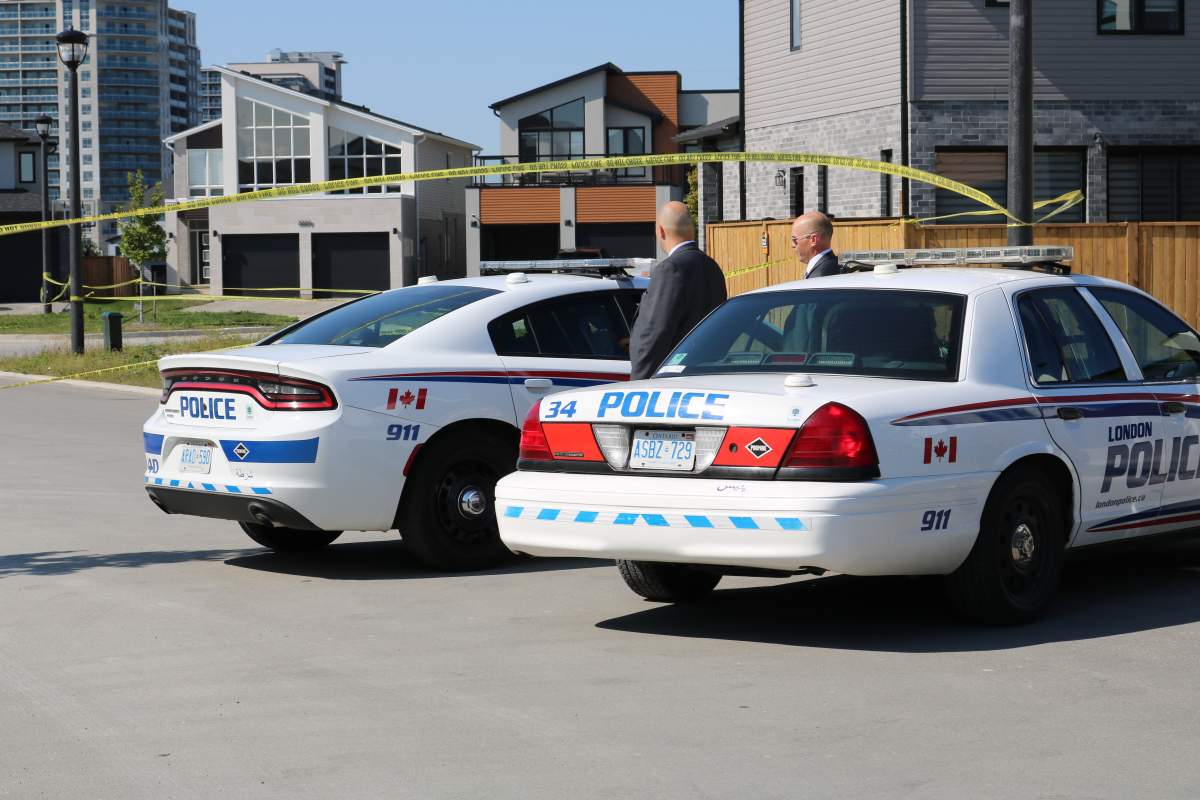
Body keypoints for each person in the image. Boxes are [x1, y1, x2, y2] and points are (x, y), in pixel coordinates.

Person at [628, 201, 727, 381]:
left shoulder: (670, 269)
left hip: (669, 381)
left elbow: (654, 333)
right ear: (692, 230)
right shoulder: (712, 267)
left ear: (661, 231)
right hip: (706, 376)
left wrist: (639, 382)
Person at [790, 211, 841, 278]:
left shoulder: (819, 277)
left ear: (813, 239)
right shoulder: (837, 266)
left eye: (794, 239)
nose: (792, 245)